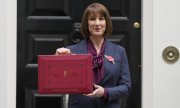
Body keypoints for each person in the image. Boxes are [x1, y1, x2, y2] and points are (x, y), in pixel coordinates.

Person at [55, 3, 131, 108]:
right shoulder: (71, 51)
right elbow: (59, 81)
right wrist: (57, 61)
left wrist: (104, 92)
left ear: (107, 22)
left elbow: (126, 87)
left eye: (101, 19)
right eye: (92, 19)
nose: (97, 23)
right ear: (86, 23)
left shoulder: (119, 51)